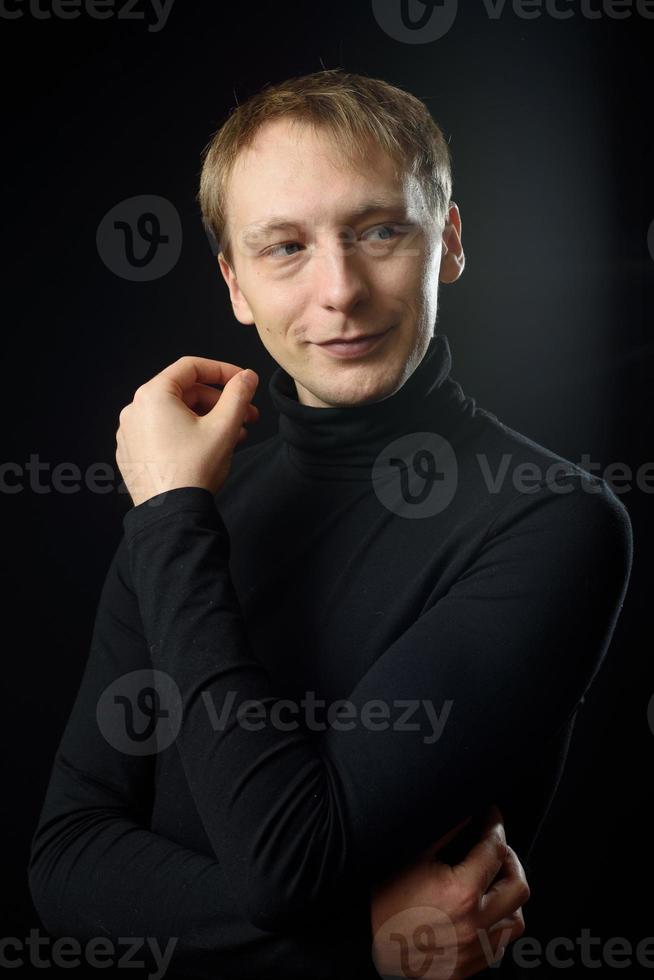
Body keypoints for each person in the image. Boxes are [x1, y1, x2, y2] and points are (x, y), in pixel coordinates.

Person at [28, 70, 633, 980]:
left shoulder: (551, 520)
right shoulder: (187, 503)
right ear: (234, 283)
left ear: (450, 242)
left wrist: (172, 519)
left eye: (379, 230)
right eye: (284, 248)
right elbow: (66, 861)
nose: (340, 290)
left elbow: (287, 865)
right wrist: (360, 937)